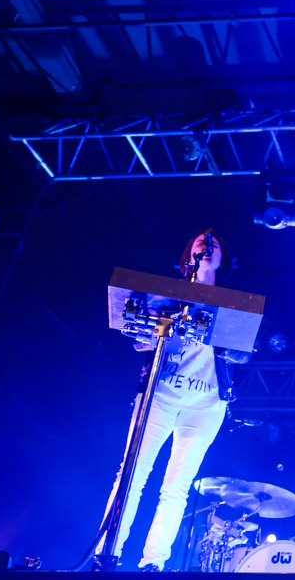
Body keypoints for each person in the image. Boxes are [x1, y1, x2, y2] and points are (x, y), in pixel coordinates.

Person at [99, 229, 250, 570]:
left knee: (176, 486)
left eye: (213, 243)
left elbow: (242, 355)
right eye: (200, 241)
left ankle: (153, 563)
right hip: (160, 396)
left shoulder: (234, 301)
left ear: (222, 257)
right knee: (131, 475)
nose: (206, 244)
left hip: (207, 403)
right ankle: (107, 554)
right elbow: (139, 341)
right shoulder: (165, 295)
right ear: (189, 254)